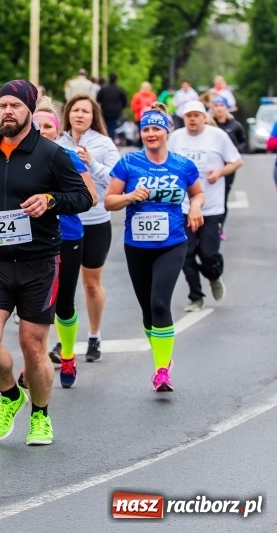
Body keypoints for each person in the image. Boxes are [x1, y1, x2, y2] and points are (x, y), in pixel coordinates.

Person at [0, 79, 92, 446]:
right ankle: (10, 395)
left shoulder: (52, 154)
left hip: (39, 262)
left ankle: (40, 415)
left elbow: (83, 197)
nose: (7, 111)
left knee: (33, 345)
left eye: (15, 106)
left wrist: (50, 201)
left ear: (30, 111)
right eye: (2, 105)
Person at [105, 109, 205, 391]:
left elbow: (197, 193)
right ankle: (163, 356)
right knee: (148, 312)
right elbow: (109, 201)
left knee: (160, 303)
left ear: (166, 132)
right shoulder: (129, 163)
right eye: (146, 129)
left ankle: (162, 371)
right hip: (136, 245)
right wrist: (129, 196)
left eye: (156, 129)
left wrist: (195, 207)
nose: (150, 134)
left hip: (172, 242)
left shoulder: (182, 165)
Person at [26, 97, 97, 388]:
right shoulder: (17, 158)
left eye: (48, 126)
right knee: (35, 305)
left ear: (57, 131)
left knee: (64, 303)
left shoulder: (68, 157)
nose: (42, 131)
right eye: (37, 126)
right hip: (31, 238)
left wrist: (53, 200)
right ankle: (35, 360)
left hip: (67, 237)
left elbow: (92, 197)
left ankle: (67, 354)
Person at [58, 95, 121, 362]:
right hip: (65, 225)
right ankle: (64, 343)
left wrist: (91, 162)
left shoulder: (103, 143)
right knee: (63, 289)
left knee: (91, 284)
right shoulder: (58, 142)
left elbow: (117, 180)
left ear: (93, 116)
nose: (80, 115)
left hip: (95, 222)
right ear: (68, 114)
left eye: (85, 111)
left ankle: (94, 335)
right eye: (75, 110)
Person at [167, 101, 242, 312]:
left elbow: (236, 161)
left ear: (203, 117)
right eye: (188, 115)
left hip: (211, 206)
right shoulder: (176, 138)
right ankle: (195, 296)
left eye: (196, 115)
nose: (192, 119)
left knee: (208, 254)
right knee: (186, 254)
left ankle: (214, 275)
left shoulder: (217, 136)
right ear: (184, 118)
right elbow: (165, 163)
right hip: (183, 207)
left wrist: (219, 173)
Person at [210, 96, 246, 239]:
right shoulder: (210, 125)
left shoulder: (235, 125)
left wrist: (235, 151)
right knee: (209, 196)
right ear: (212, 108)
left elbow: (243, 142)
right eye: (216, 105)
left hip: (228, 167)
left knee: (223, 196)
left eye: (221, 105)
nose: (219, 108)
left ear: (226, 107)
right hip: (212, 167)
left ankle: (219, 227)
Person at [96, 73, 128, 139]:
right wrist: (121, 108)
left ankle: (106, 138)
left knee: (105, 126)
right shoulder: (119, 90)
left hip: (105, 111)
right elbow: (124, 101)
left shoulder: (104, 89)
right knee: (112, 127)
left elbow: (98, 99)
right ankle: (111, 139)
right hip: (116, 112)